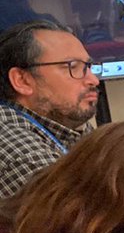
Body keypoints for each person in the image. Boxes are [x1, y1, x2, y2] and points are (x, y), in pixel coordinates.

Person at [0, 20, 100, 198]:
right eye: (72, 67)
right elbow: (93, 220)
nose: (93, 80)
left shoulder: (64, 124)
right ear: (22, 81)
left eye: (88, 67)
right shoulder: (17, 148)